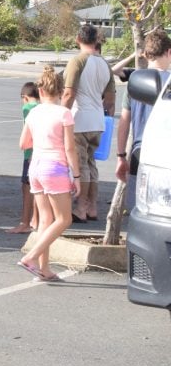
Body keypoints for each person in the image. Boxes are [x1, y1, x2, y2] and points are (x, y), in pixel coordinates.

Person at [17, 66, 80, 283]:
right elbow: (70, 148)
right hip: (55, 167)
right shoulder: (64, 113)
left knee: (46, 219)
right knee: (64, 219)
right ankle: (32, 257)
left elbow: (23, 143)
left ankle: (44, 269)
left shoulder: (33, 112)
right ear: (61, 92)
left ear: (41, 91)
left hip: (35, 166)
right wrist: (78, 176)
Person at [61, 23, 116, 222]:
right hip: (98, 122)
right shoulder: (104, 64)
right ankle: (92, 207)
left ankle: (80, 208)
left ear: (78, 40)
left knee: (81, 165)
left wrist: (60, 115)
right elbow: (110, 99)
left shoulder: (77, 61)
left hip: (79, 120)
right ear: (97, 40)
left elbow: (68, 93)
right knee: (92, 165)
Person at [115, 29, 171, 211]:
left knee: (137, 209)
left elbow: (124, 122)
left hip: (139, 152)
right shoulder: (168, 83)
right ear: (169, 52)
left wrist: (121, 155)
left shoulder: (135, 82)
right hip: (165, 156)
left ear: (146, 54)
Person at [7, 81, 40, 234]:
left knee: (27, 188)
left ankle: (25, 222)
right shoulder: (44, 108)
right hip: (43, 154)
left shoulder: (28, 108)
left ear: (25, 97)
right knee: (39, 189)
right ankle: (36, 220)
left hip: (30, 153)